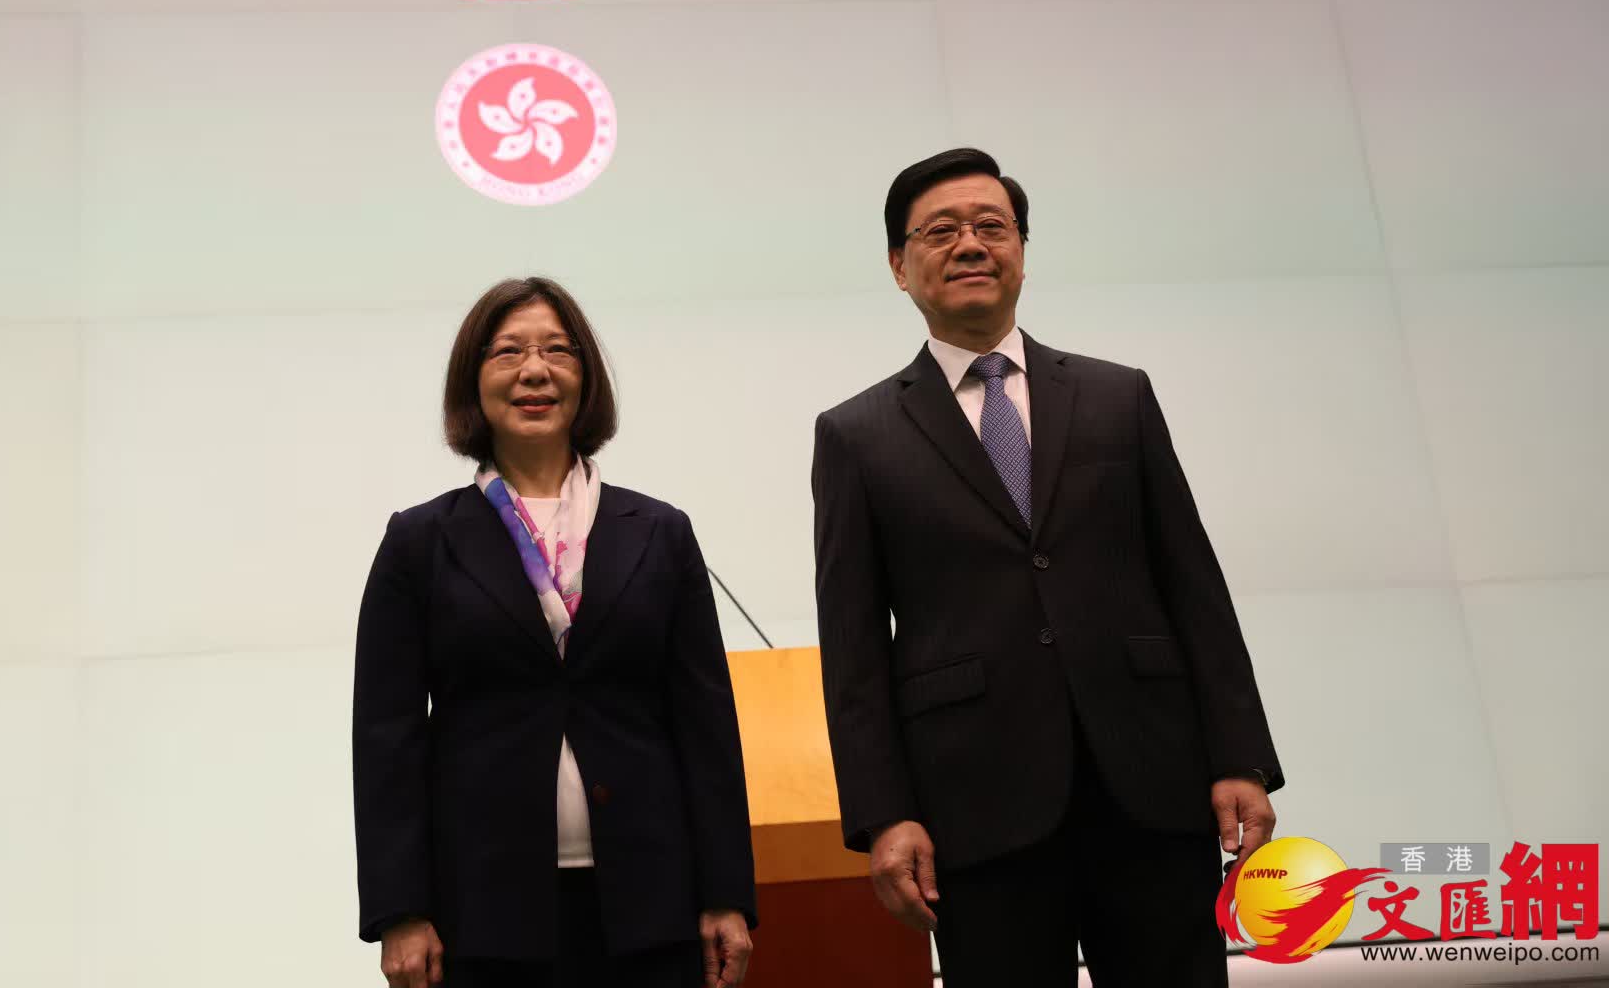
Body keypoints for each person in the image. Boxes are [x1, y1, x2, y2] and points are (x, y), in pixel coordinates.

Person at [811, 149, 1284, 985]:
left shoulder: (1118, 396)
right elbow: (853, 649)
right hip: (975, 806)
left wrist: (1238, 756)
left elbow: (1193, 587)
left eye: (991, 226)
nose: (970, 244)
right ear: (899, 266)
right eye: (941, 231)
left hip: (1152, 785)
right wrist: (884, 815)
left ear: (1022, 252)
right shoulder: (857, 435)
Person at [354, 277, 757, 988]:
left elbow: (705, 725)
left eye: (557, 351)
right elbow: (387, 738)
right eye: (508, 352)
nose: (534, 370)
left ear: (585, 378)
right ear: (473, 381)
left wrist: (726, 893)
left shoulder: (659, 532)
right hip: (481, 907)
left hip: (651, 902)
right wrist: (400, 911)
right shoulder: (420, 541)